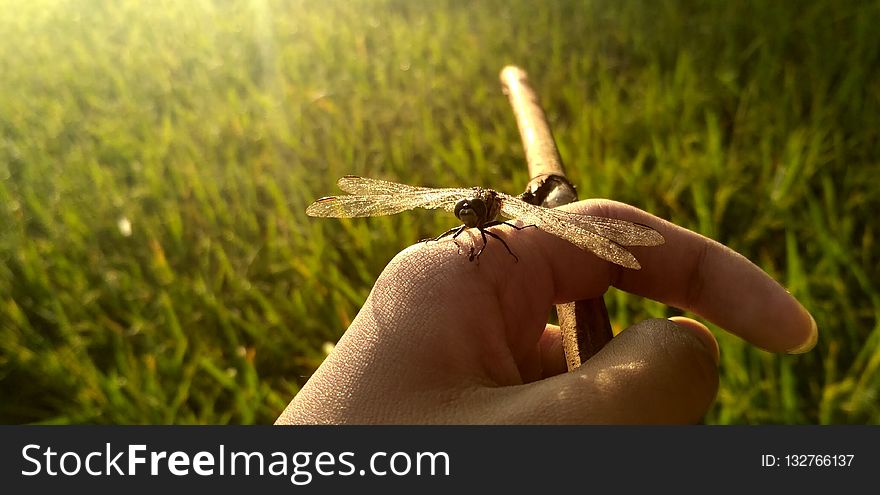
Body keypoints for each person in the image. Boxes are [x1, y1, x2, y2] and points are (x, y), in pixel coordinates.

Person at [276, 199, 817, 424]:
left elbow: (502, 240)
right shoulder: (468, 224)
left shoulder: (502, 227)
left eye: (473, 215)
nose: (467, 220)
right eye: (464, 215)